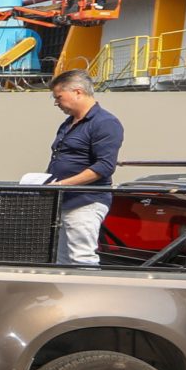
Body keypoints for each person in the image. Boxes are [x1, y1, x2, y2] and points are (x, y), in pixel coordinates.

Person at [45, 69, 124, 266]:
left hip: (85, 201)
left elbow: (104, 166)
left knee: (82, 258)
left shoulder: (105, 123)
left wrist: (62, 184)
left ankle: (90, 296)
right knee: (62, 260)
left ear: (77, 92)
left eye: (59, 97)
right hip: (64, 201)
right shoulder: (68, 123)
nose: (56, 103)